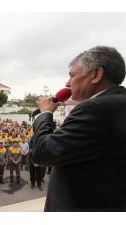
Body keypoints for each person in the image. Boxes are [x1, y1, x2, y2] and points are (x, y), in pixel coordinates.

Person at [32, 46, 126, 211]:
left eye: (72, 75)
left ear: (96, 74)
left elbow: (43, 152)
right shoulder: (118, 105)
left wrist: (44, 114)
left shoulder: (94, 108)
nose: (67, 83)